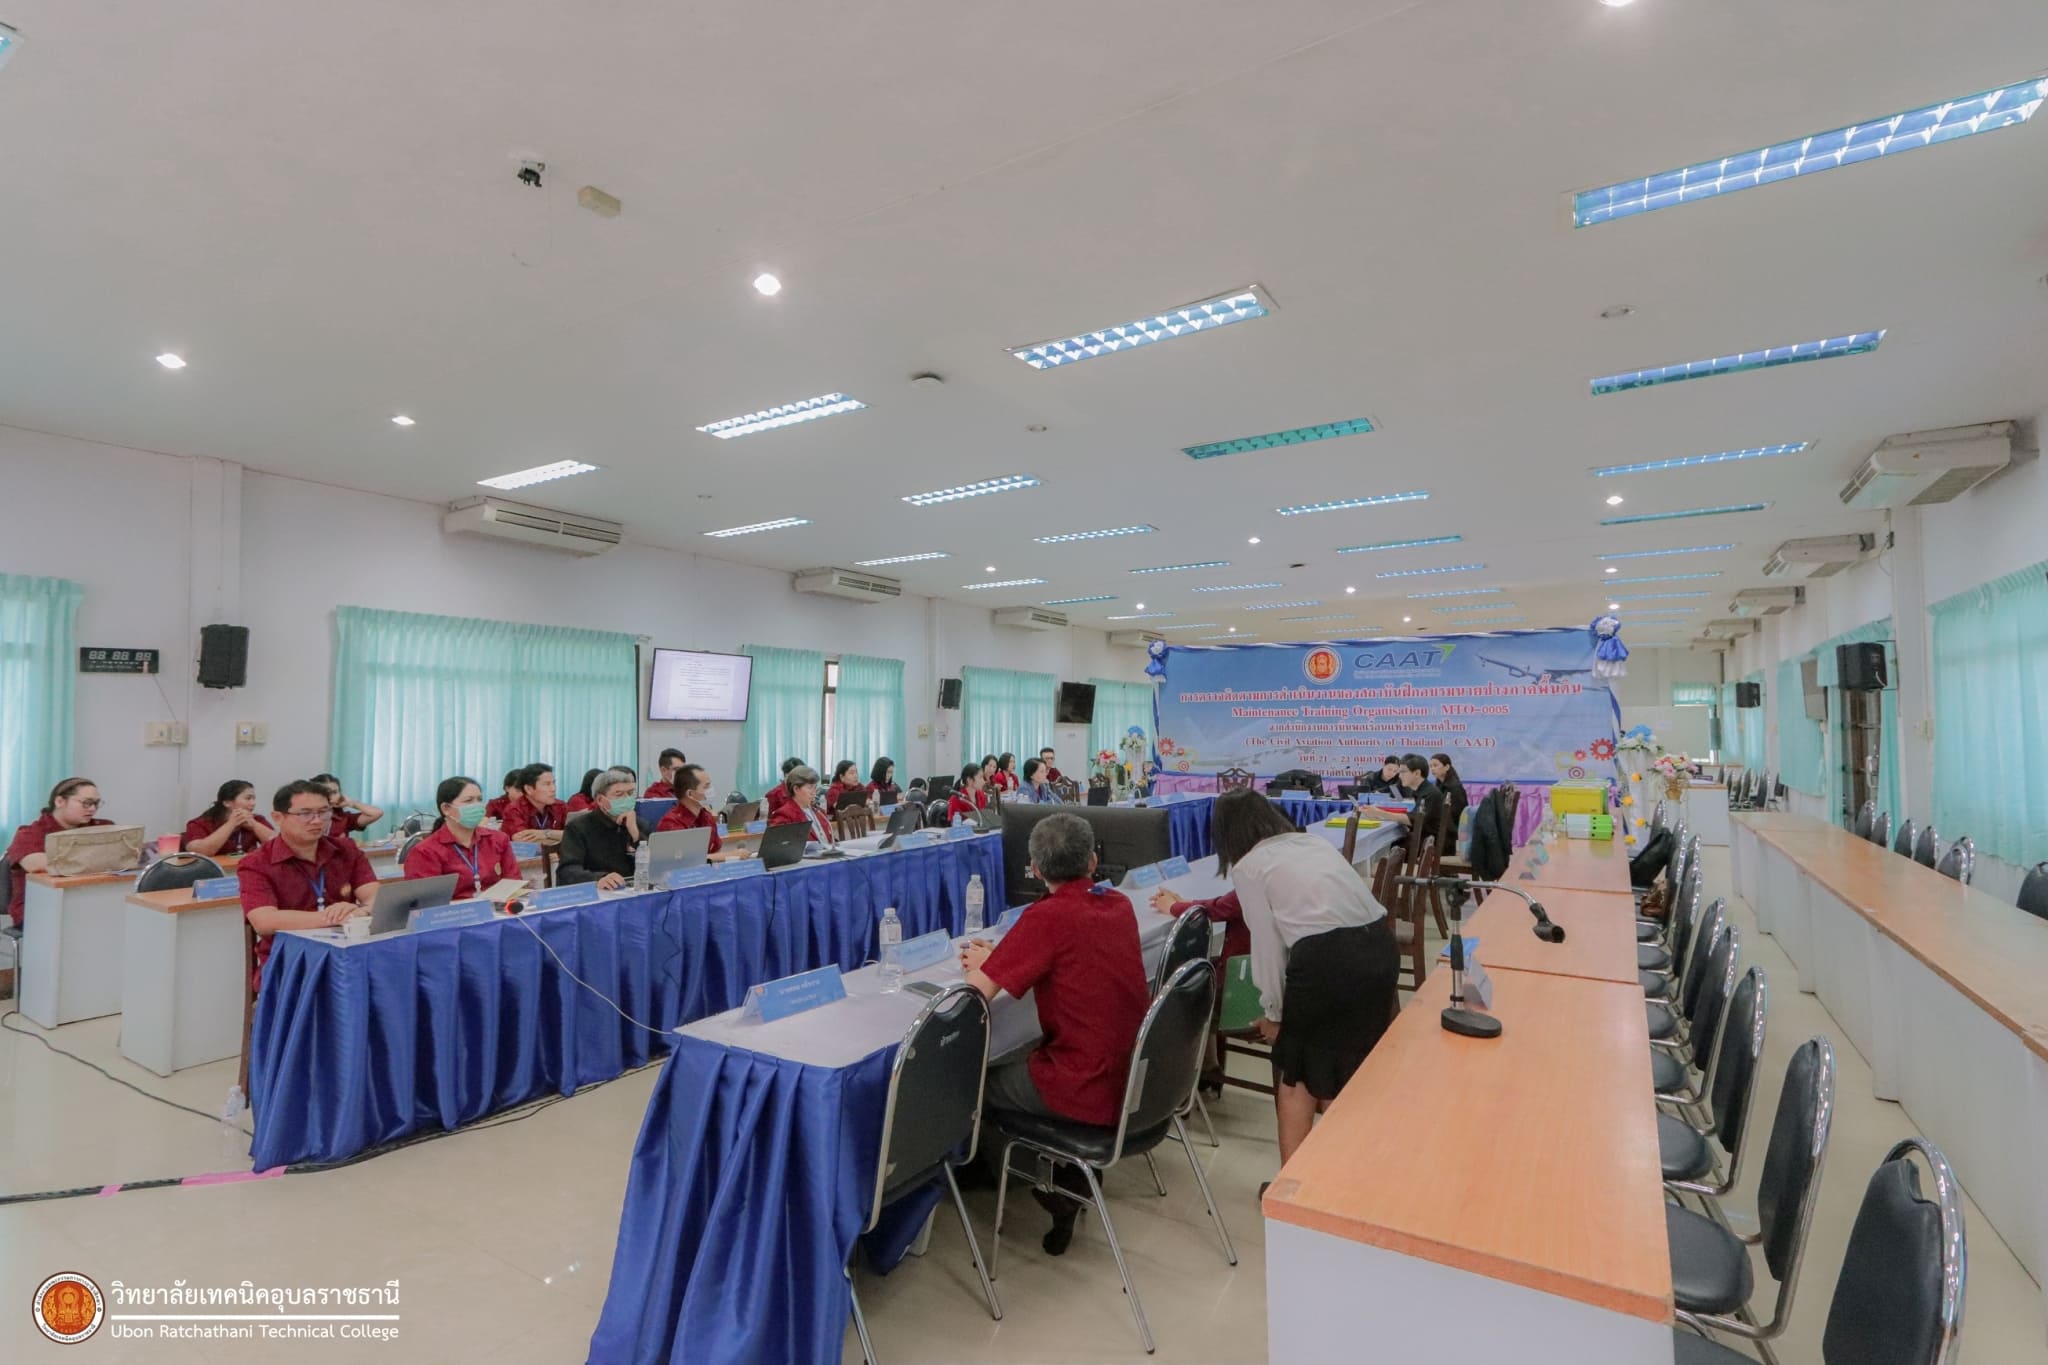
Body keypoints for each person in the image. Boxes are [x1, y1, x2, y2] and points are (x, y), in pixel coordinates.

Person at [959, 813, 1149, 1254]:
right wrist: (1004, 954)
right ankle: (1059, 1172)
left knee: (977, 1082)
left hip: (1082, 1083)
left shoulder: (1046, 916)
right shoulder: (1118, 904)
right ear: (1093, 861)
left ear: (1034, 869)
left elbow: (977, 993)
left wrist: (983, 965)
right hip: (1132, 1074)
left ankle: (1046, 1183)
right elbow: (1069, 954)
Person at [1212, 788, 1397, 1167]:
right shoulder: (1312, 843)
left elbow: (1267, 946)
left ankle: (1294, 1185)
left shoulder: (1250, 866)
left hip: (1327, 960)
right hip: (1379, 947)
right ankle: (1340, 1176)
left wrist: (1274, 1015)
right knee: (1339, 1067)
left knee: (1295, 1074)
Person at [239, 780, 378, 982]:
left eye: (324, 812)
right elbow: (264, 921)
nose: (317, 821)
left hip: (349, 954)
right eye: (305, 814)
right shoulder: (256, 863)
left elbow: (376, 898)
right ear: (278, 817)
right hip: (290, 962)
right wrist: (337, 917)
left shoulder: (346, 850)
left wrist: (360, 911)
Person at [6, 778, 112, 926]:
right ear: (60, 801)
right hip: (39, 909)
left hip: (91, 901)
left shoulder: (103, 828)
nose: (93, 809)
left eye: (96, 803)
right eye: (86, 803)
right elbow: (35, 863)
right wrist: (97, 856)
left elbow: (124, 854)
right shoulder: (29, 833)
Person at [404, 776, 523, 899]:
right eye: (469, 801)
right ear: (446, 808)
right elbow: (427, 901)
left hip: (497, 908)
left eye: (479, 800)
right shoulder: (425, 851)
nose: (477, 806)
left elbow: (514, 883)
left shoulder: (498, 839)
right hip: (454, 910)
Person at [557, 768, 644, 889]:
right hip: (599, 890)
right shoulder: (578, 827)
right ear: (600, 800)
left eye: (630, 793)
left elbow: (655, 863)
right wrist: (598, 878)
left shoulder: (639, 823)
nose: (626, 799)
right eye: (619, 794)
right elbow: (567, 871)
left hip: (634, 888)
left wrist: (636, 835)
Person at [183, 779, 277, 858]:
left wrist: (254, 825)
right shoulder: (200, 824)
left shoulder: (257, 820)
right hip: (211, 872)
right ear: (227, 803)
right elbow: (200, 853)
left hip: (247, 870)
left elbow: (278, 846)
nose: (253, 803)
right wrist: (231, 824)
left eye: (254, 799)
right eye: (248, 798)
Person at [654, 763, 728, 855]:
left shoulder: (707, 817)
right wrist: (730, 855)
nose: (711, 790)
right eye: (706, 786)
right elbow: (686, 859)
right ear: (690, 794)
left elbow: (716, 851)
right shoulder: (670, 823)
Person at [1383, 754, 1444, 844]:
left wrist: (1380, 813)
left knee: (1390, 844)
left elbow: (1414, 820)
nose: (1399, 776)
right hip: (1423, 839)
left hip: (1428, 844)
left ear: (1417, 773)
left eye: (1403, 772)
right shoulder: (1420, 790)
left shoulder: (1430, 793)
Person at [767, 764, 835, 846]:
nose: (814, 792)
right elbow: (777, 846)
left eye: (815, 787)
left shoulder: (819, 812)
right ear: (796, 789)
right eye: (810, 787)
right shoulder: (784, 814)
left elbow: (830, 839)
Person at [500, 764, 570, 837]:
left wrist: (546, 834)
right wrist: (557, 836)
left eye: (554, 783)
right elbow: (523, 839)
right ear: (528, 789)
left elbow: (573, 835)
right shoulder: (514, 810)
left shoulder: (560, 806)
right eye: (547, 784)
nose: (553, 789)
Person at [310, 773, 384, 836]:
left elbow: (377, 813)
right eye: (326, 793)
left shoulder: (343, 818)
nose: (331, 797)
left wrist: (352, 803)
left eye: (335, 792)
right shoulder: (307, 817)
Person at [1429, 752, 1470, 847]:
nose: (1432, 769)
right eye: (1430, 766)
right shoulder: (1438, 785)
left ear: (1447, 767)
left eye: (1435, 765)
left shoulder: (1454, 787)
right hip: (1443, 825)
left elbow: (1456, 813)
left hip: (1452, 830)